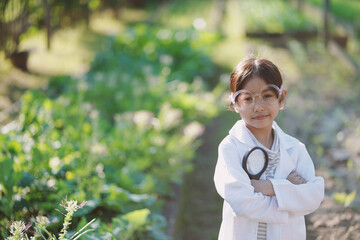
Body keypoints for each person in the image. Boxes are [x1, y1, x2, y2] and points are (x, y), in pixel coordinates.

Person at [214, 57, 324, 240]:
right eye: (248, 98)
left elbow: (313, 196)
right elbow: (242, 202)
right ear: (235, 103)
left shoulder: (294, 149)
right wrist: (290, 199)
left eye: (267, 96)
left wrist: (268, 187)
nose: (258, 107)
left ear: (281, 98)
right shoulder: (230, 148)